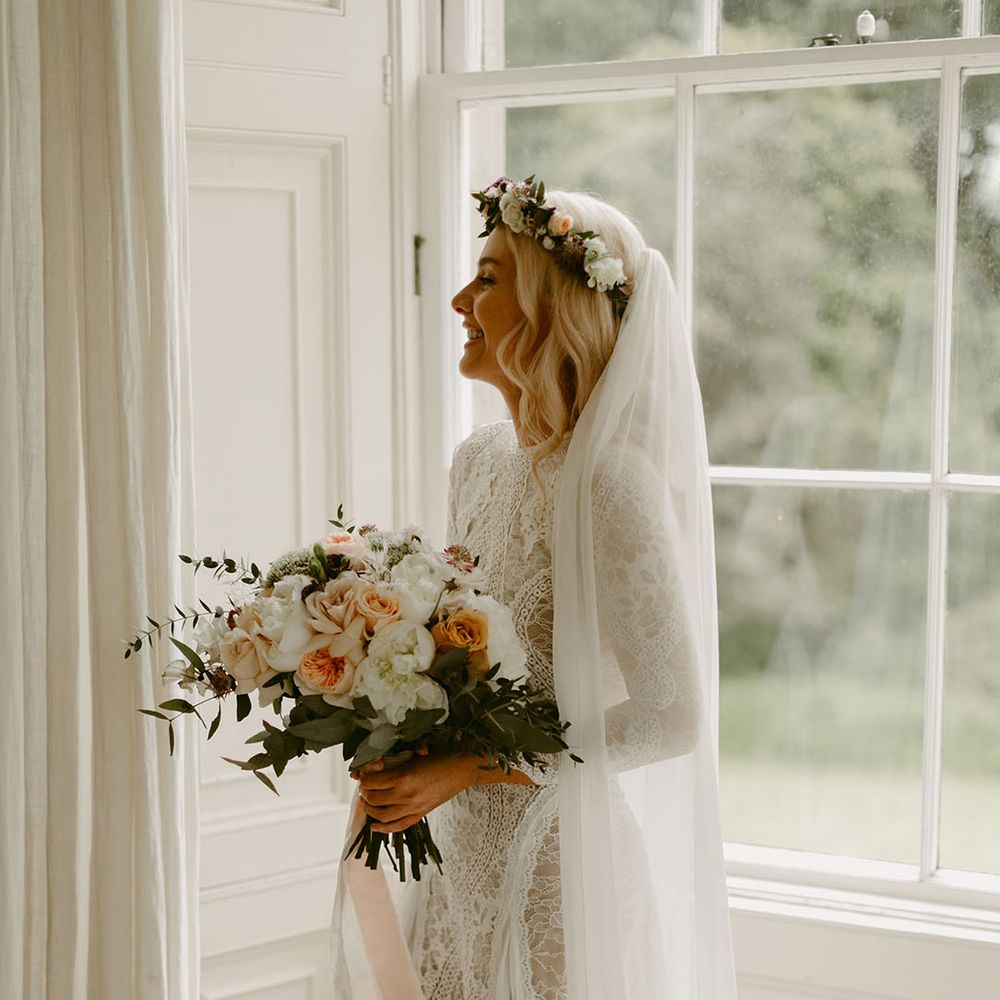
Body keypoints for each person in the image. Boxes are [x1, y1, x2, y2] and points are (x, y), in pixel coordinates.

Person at [333, 177, 737, 999]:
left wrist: (467, 768)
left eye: (487, 279)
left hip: (557, 870)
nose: (458, 298)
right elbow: (458, 655)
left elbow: (673, 717)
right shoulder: (478, 460)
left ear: (552, 309)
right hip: (454, 859)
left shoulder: (613, 486)